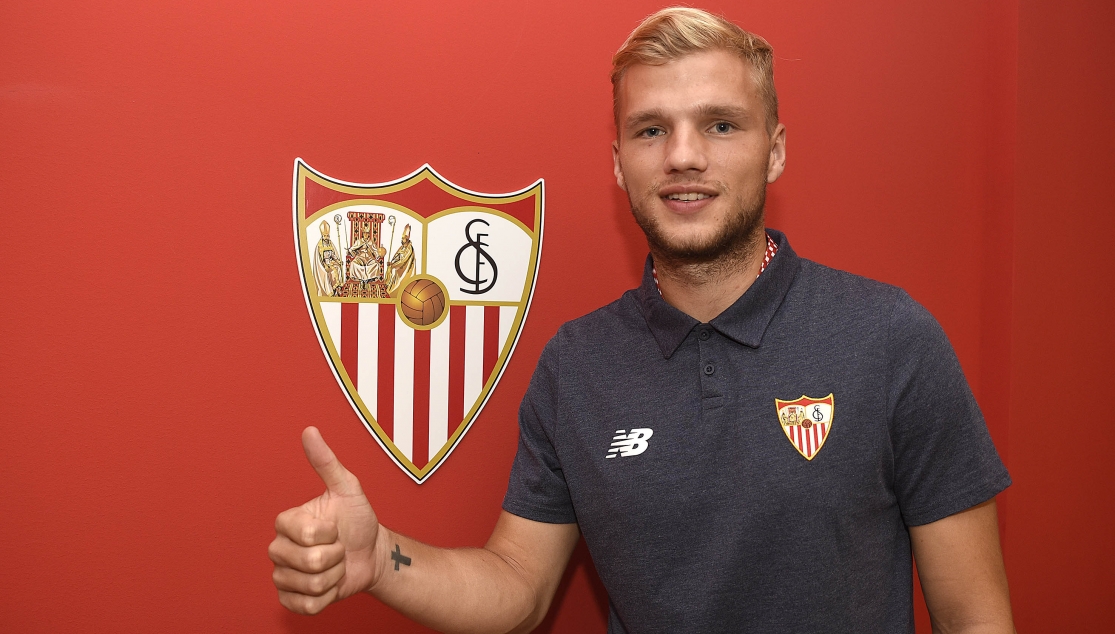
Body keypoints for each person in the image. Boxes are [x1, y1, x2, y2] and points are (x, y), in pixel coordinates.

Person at [270, 8, 1014, 633]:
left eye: (720, 125)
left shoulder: (889, 338)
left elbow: (974, 617)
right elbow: (516, 587)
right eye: (651, 130)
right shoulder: (577, 365)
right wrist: (380, 560)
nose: (683, 156)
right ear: (619, 162)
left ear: (775, 151)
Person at [312, 220, 343, 297]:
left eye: (327, 236)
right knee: (327, 273)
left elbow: (333, 255)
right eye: (325, 236)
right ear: (322, 236)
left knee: (338, 268)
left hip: (331, 263)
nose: (326, 238)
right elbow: (319, 260)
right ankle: (329, 291)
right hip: (323, 266)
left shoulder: (330, 244)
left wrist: (338, 261)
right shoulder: (319, 246)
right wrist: (325, 265)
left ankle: (337, 288)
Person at [385, 223, 416, 294]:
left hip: (404, 269)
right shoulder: (402, 247)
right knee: (390, 269)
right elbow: (397, 257)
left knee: (394, 274)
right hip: (399, 267)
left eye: (403, 238)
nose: (401, 240)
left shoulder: (409, 249)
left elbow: (403, 261)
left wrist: (393, 265)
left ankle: (391, 290)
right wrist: (392, 263)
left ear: (407, 239)